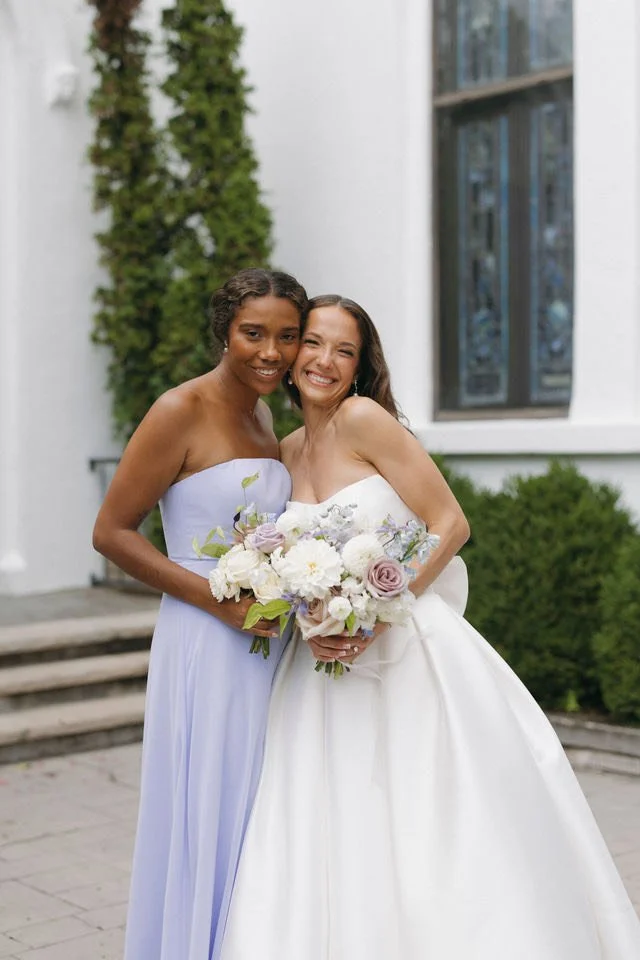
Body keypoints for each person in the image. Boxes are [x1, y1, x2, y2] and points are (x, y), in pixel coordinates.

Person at [219, 295, 640, 960]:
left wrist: (378, 611)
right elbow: (286, 560)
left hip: (404, 651)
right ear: (293, 352)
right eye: (315, 343)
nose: (325, 360)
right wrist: (306, 613)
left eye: (345, 350)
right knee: (331, 821)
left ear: (360, 368)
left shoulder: (365, 421)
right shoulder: (286, 448)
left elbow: (450, 523)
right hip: (320, 672)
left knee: (426, 817)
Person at [92, 268, 309, 960]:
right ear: (224, 331)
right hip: (206, 634)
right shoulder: (177, 410)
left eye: (287, 337)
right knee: (212, 796)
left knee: (256, 798)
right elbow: (112, 532)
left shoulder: (264, 413)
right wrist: (218, 604)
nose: (271, 352)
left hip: (263, 636)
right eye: (254, 333)